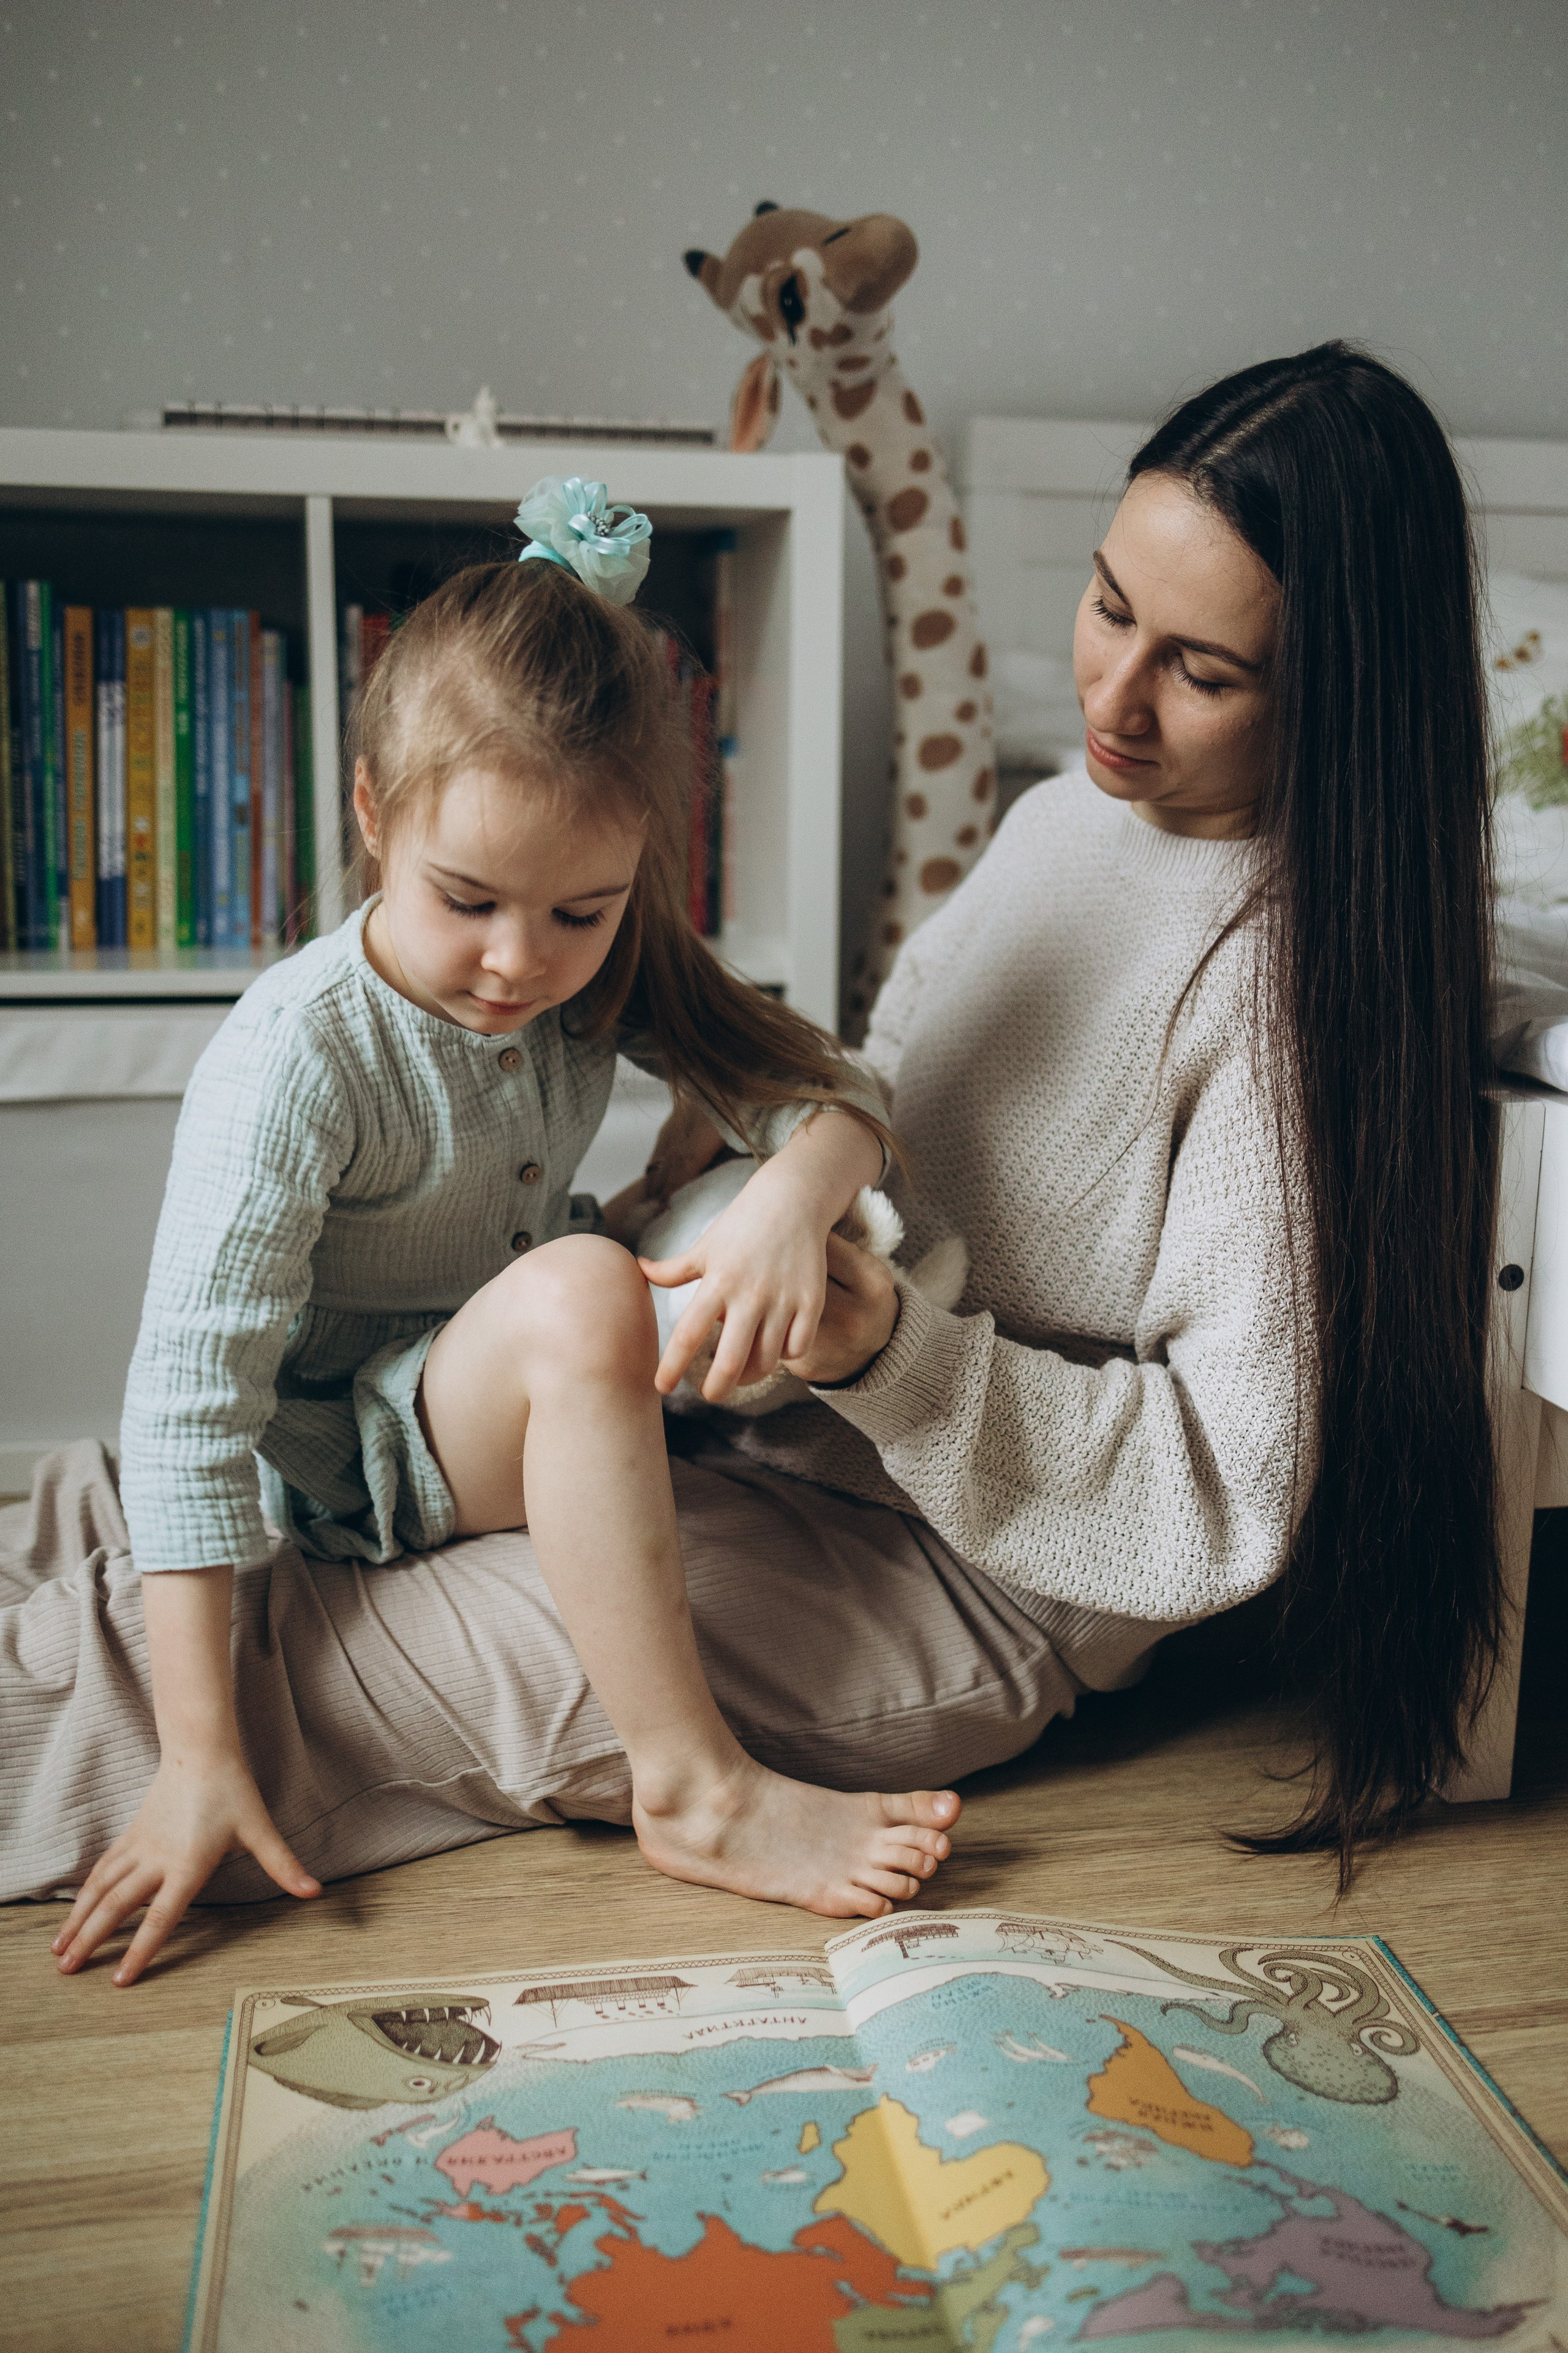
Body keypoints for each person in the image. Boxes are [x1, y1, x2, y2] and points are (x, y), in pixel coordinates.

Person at [2, 344, 1502, 1968]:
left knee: (300, 1662)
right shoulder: (1066, 820)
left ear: (1343, 692)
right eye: (1106, 604)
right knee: (107, 1511)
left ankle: (614, 1784)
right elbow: (852, 1091)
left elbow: (1220, 1493)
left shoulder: (1292, 999)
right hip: (750, 1433)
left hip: (956, 1559)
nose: (1112, 701)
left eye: (1204, 670)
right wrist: (741, 1204)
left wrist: (881, 1344)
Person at [43, 478, 963, 1989]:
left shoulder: (596, 954)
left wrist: (793, 1197)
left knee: (779, 1233)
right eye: (464, 900)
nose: (517, 963)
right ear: (370, 819)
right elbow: (187, 1403)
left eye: (579, 914)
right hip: (351, 1460)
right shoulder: (297, 1056)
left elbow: (835, 1082)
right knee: (589, 1285)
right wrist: (197, 1749)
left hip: (480, 1368)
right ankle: (696, 1788)